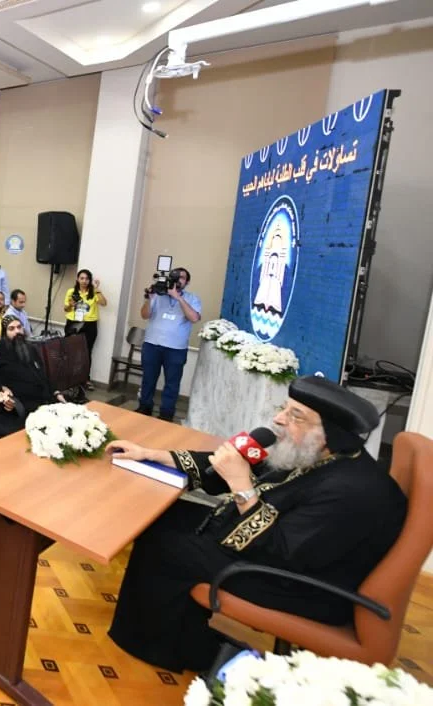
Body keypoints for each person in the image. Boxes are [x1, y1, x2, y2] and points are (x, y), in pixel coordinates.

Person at [106, 376, 406, 674]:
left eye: (295, 415)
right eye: (284, 409)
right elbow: (221, 468)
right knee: (167, 515)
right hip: (271, 551)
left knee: (167, 547)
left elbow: (282, 552)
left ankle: (155, 646)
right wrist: (151, 454)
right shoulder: (316, 453)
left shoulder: (352, 491)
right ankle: (183, 635)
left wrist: (241, 483)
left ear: (329, 432)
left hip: (299, 586)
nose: (278, 419)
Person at [137, 267, 201, 422]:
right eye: (175, 276)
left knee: (172, 383)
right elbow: (144, 315)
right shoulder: (158, 295)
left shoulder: (192, 298)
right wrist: (149, 299)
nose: (178, 279)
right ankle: (144, 407)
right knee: (148, 379)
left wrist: (178, 297)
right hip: (152, 344)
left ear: (188, 282)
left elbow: (194, 318)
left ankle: (166, 413)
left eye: (183, 277)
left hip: (176, 349)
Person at [0, 314, 65, 412]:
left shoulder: (30, 347)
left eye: (19, 327)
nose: (17, 331)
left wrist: (56, 392)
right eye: (11, 329)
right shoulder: (0, 351)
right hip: (23, 402)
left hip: (44, 396)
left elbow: (42, 373)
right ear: (5, 333)